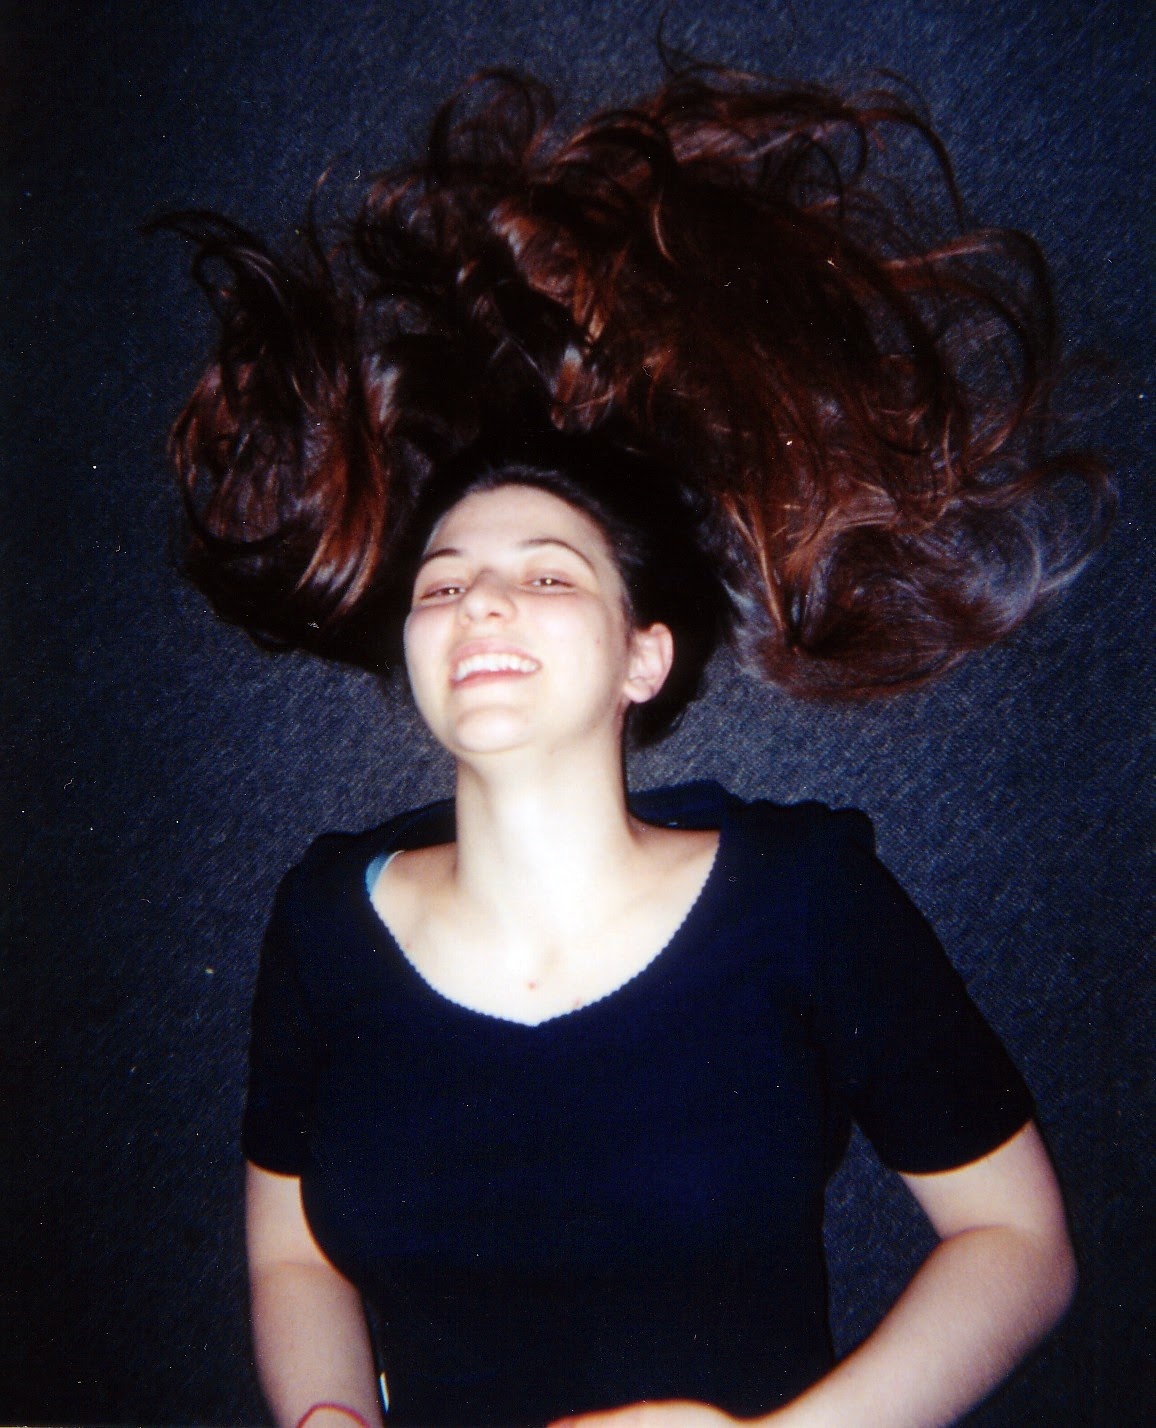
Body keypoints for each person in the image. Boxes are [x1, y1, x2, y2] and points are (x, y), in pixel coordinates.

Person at [158, 63, 1109, 1428]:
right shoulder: (319, 919)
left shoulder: (805, 896)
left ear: (643, 658)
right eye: (442, 583)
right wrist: (328, 1420)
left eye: (547, 575)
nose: (478, 601)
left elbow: (1016, 1243)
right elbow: (291, 1253)